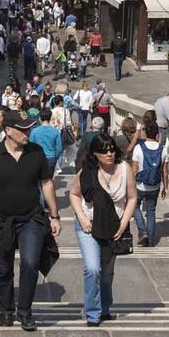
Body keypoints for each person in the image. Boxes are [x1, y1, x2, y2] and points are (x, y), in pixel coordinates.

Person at [0, 113, 61, 331]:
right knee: (3, 269)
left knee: (30, 263)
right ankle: (6, 309)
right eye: (23, 130)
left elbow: (47, 184)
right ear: (9, 130)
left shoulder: (36, 152)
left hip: (31, 218)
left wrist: (55, 215)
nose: (28, 133)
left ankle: (25, 311)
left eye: (30, 129)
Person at [69, 133, 136, 326]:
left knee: (106, 273)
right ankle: (92, 313)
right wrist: (81, 218)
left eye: (112, 149)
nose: (109, 153)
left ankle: (105, 307)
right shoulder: (87, 171)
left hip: (114, 226)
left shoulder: (125, 169)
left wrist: (124, 223)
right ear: (95, 154)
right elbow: (74, 194)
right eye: (104, 151)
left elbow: (132, 198)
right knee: (92, 268)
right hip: (88, 225)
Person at [131, 119, 168, 247]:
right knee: (151, 212)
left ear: (145, 133)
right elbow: (165, 171)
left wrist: (128, 185)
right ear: (157, 134)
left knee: (134, 207)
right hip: (155, 186)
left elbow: (134, 171)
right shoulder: (163, 149)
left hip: (140, 185)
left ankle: (143, 232)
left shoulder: (138, 148)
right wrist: (166, 188)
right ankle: (151, 242)